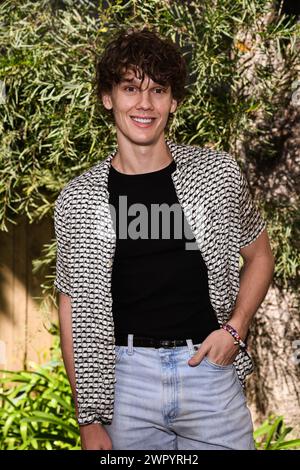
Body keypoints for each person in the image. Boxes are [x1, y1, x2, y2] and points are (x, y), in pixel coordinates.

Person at [54, 27, 275, 450]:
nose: (144, 103)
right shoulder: (78, 200)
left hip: (208, 374)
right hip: (124, 386)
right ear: (108, 97)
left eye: (158, 90)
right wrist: (88, 416)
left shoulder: (216, 175)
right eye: (130, 88)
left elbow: (261, 255)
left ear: (173, 101)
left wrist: (236, 328)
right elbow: (71, 306)